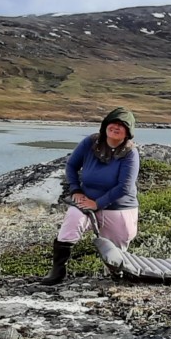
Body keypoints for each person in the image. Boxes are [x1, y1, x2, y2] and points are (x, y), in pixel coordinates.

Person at [44, 108, 140, 285]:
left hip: (118, 206)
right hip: (86, 200)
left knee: (117, 250)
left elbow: (125, 187)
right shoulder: (90, 142)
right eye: (113, 123)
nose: (116, 127)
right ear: (105, 125)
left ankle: (116, 274)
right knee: (72, 220)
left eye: (122, 125)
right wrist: (76, 190)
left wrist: (98, 203)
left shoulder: (130, 153)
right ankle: (57, 271)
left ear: (128, 132)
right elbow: (71, 166)